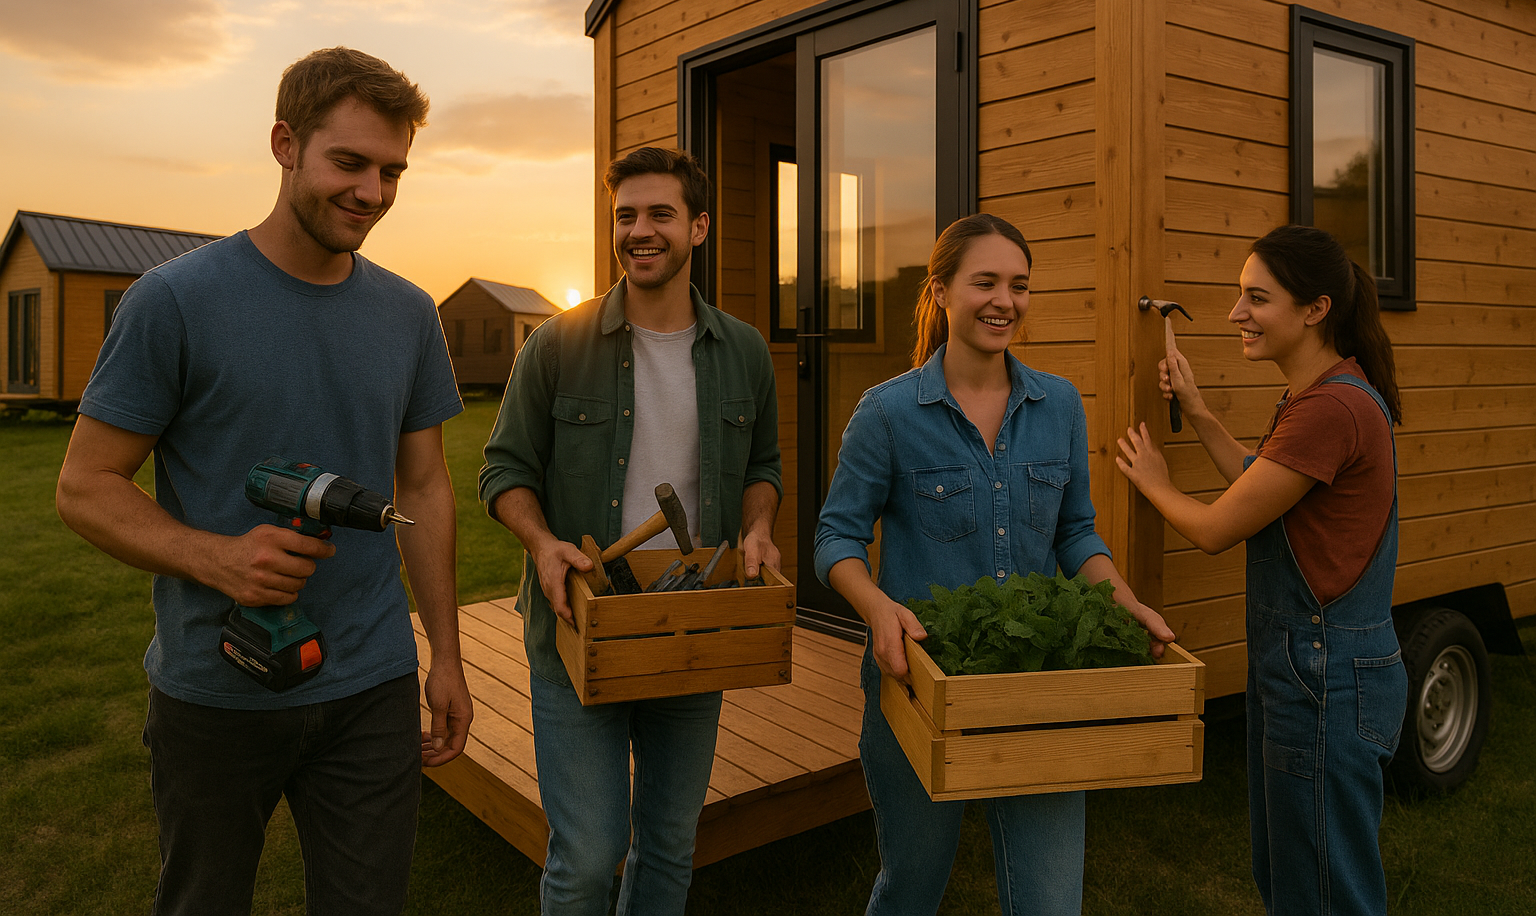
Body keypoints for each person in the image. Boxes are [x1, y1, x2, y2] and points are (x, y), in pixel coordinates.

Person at [54, 46, 472, 916]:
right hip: (216, 689)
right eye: (348, 162)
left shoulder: (407, 313)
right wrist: (217, 559)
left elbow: (426, 489)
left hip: (371, 685)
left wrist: (445, 655)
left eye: (392, 170)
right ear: (285, 144)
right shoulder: (175, 300)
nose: (374, 192)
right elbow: (86, 485)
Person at [814, 213, 1174, 916]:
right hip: (916, 685)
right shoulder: (887, 413)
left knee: (1049, 903)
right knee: (912, 886)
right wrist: (878, 607)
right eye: (984, 282)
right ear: (942, 290)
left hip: (1037, 688)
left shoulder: (1059, 404)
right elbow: (835, 537)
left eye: (1018, 285)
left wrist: (1122, 603)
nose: (1003, 300)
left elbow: (1076, 535)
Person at [480, 146, 782, 915]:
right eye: (625, 215)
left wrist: (758, 526)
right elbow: (503, 471)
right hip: (579, 629)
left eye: (659, 214)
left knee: (670, 847)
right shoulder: (556, 344)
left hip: (691, 624)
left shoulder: (744, 351)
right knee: (585, 859)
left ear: (699, 227)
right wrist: (544, 544)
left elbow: (766, 465)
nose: (639, 231)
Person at [1115, 224, 1407, 916]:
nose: (1235, 314)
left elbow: (1220, 526)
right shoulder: (1327, 396)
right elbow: (1265, 484)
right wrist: (1200, 412)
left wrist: (1154, 481)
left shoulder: (1330, 408)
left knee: (1322, 895)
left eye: (1257, 298)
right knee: (1294, 880)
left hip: (1324, 676)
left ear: (1315, 310)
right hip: (1317, 669)